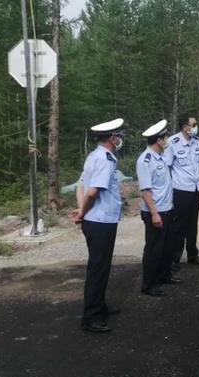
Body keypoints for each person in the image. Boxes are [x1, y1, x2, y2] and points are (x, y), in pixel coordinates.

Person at [70, 118, 124, 333]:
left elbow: (80, 186)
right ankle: (91, 317)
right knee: (98, 268)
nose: (119, 140)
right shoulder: (105, 159)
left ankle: (99, 306)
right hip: (101, 220)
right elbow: (93, 191)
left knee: (100, 265)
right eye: (118, 136)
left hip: (95, 219)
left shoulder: (93, 156)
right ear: (111, 138)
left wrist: (80, 210)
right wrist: (82, 211)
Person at [136, 120, 181, 297]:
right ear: (159, 140)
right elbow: (146, 191)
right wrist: (154, 214)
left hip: (167, 209)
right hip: (155, 211)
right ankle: (149, 284)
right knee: (154, 249)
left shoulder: (160, 156)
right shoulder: (145, 160)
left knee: (167, 247)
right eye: (165, 138)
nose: (167, 140)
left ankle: (164, 276)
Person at [164, 114, 199, 269]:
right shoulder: (172, 142)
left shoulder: (196, 141)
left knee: (193, 224)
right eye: (193, 125)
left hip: (195, 188)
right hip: (180, 189)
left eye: (196, 124)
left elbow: (197, 163)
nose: (196, 127)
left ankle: (192, 254)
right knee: (179, 226)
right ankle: (174, 259)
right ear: (184, 127)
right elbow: (167, 167)